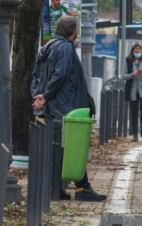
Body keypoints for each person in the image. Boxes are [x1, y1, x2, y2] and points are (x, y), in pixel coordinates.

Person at [31, 16, 106, 201]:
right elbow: (61, 74)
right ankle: (81, 189)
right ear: (73, 32)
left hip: (52, 107)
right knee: (72, 147)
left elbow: (36, 76)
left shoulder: (46, 47)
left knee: (60, 148)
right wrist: (46, 96)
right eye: (76, 30)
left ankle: (58, 189)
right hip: (65, 107)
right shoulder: (65, 47)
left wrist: (39, 96)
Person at [123, 43, 142, 142]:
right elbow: (123, 76)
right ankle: (135, 134)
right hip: (132, 90)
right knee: (134, 112)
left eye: (139, 52)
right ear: (133, 52)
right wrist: (132, 74)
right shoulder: (127, 60)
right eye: (136, 52)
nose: (137, 54)